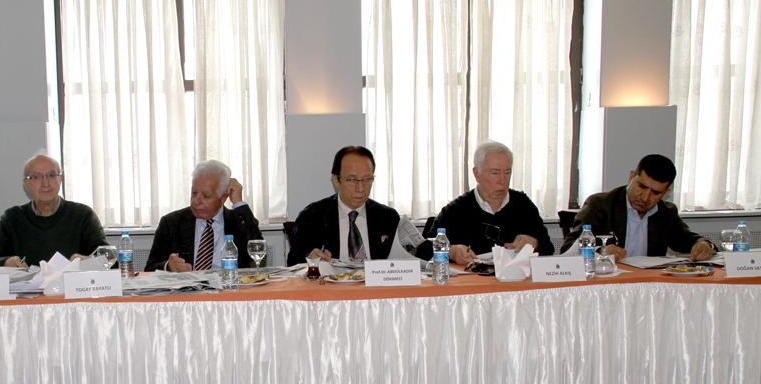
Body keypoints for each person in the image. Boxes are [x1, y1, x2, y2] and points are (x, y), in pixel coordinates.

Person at [418, 141, 554, 263]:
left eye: (507, 173)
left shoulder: (522, 205)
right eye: (495, 173)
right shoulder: (457, 209)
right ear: (476, 173)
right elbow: (423, 249)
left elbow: (548, 248)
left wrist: (534, 243)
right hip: (472, 281)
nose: (502, 181)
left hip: (514, 280)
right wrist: (451, 251)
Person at [560, 154, 714, 261]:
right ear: (631, 177)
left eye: (656, 193)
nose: (645, 197)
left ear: (666, 192)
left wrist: (704, 245)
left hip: (649, 286)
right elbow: (568, 247)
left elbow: (689, 240)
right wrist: (600, 250)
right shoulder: (601, 204)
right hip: (607, 282)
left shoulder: (666, 212)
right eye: (642, 186)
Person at [0, 153, 107, 268]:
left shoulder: (82, 215)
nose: (45, 183)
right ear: (26, 184)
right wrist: (6, 262)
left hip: (72, 287)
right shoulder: (12, 218)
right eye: (36, 177)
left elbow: (109, 260)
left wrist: (87, 261)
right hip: (26, 288)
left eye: (51, 175)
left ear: (60, 179)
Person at [286, 146, 400, 265]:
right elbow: (293, 260)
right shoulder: (313, 216)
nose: (360, 188)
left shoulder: (388, 217)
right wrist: (310, 257)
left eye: (366, 180)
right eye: (352, 180)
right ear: (336, 179)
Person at [145, 159, 262, 272]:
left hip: (227, 283)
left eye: (206, 196)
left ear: (223, 198)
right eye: (194, 193)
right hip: (188, 285)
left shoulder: (238, 221)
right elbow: (150, 268)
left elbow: (257, 250)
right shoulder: (171, 223)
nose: (196, 201)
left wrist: (238, 203)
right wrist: (168, 267)